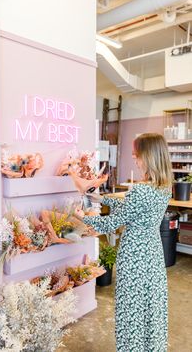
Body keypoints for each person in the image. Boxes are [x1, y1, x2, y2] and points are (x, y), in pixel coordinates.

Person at [73, 133, 173, 352]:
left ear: (148, 157)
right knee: (150, 306)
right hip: (153, 254)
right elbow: (131, 208)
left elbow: (112, 223)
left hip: (134, 256)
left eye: (137, 155)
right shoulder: (164, 187)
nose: (135, 160)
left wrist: (81, 216)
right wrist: (100, 197)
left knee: (131, 308)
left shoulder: (140, 190)